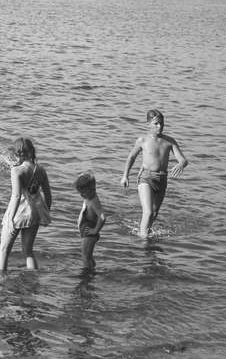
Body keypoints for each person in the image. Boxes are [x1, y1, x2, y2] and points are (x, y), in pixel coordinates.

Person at [120, 109, 189, 238]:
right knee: (148, 212)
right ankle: (143, 239)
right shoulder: (143, 140)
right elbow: (131, 157)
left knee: (155, 213)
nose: (160, 126)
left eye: (162, 123)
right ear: (148, 124)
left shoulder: (170, 141)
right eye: (156, 123)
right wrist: (125, 175)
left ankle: (145, 231)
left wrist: (181, 164)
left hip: (162, 179)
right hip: (146, 178)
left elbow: (183, 160)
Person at [0, 137, 52, 271]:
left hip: (19, 212)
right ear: (32, 151)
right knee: (28, 251)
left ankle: (0, 281)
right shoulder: (41, 170)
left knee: (4, 250)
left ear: (17, 154)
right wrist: (45, 213)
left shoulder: (17, 171)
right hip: (34, 213)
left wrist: (10, 219)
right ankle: (33, 279)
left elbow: (16, 196)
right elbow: (48, 196)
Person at [75, 171, 106, 270]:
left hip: (90, 234)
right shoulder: (88, 197)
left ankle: (89, 273)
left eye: (83, 193)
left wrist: (95, 230)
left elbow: (102, 217)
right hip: (86, 233)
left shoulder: (94, 201)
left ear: (92, 189)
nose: (81, 195)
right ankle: (91, 271)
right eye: (80, 193)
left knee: (86, 256)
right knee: (86, 255)